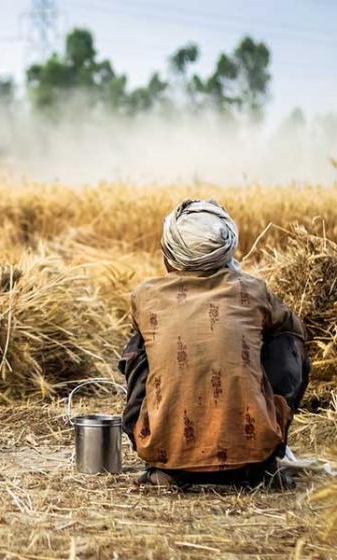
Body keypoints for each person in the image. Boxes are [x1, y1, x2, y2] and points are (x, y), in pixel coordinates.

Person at [120, 199, 309, 488]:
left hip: (167, 457)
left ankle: (163, 456)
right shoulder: (254, 290)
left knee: (140, 344)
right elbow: (295, 335)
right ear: (227, 251)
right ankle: (265, 452)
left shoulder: (145, 296)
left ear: (168, 254)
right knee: (287, 339)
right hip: (252, 462)